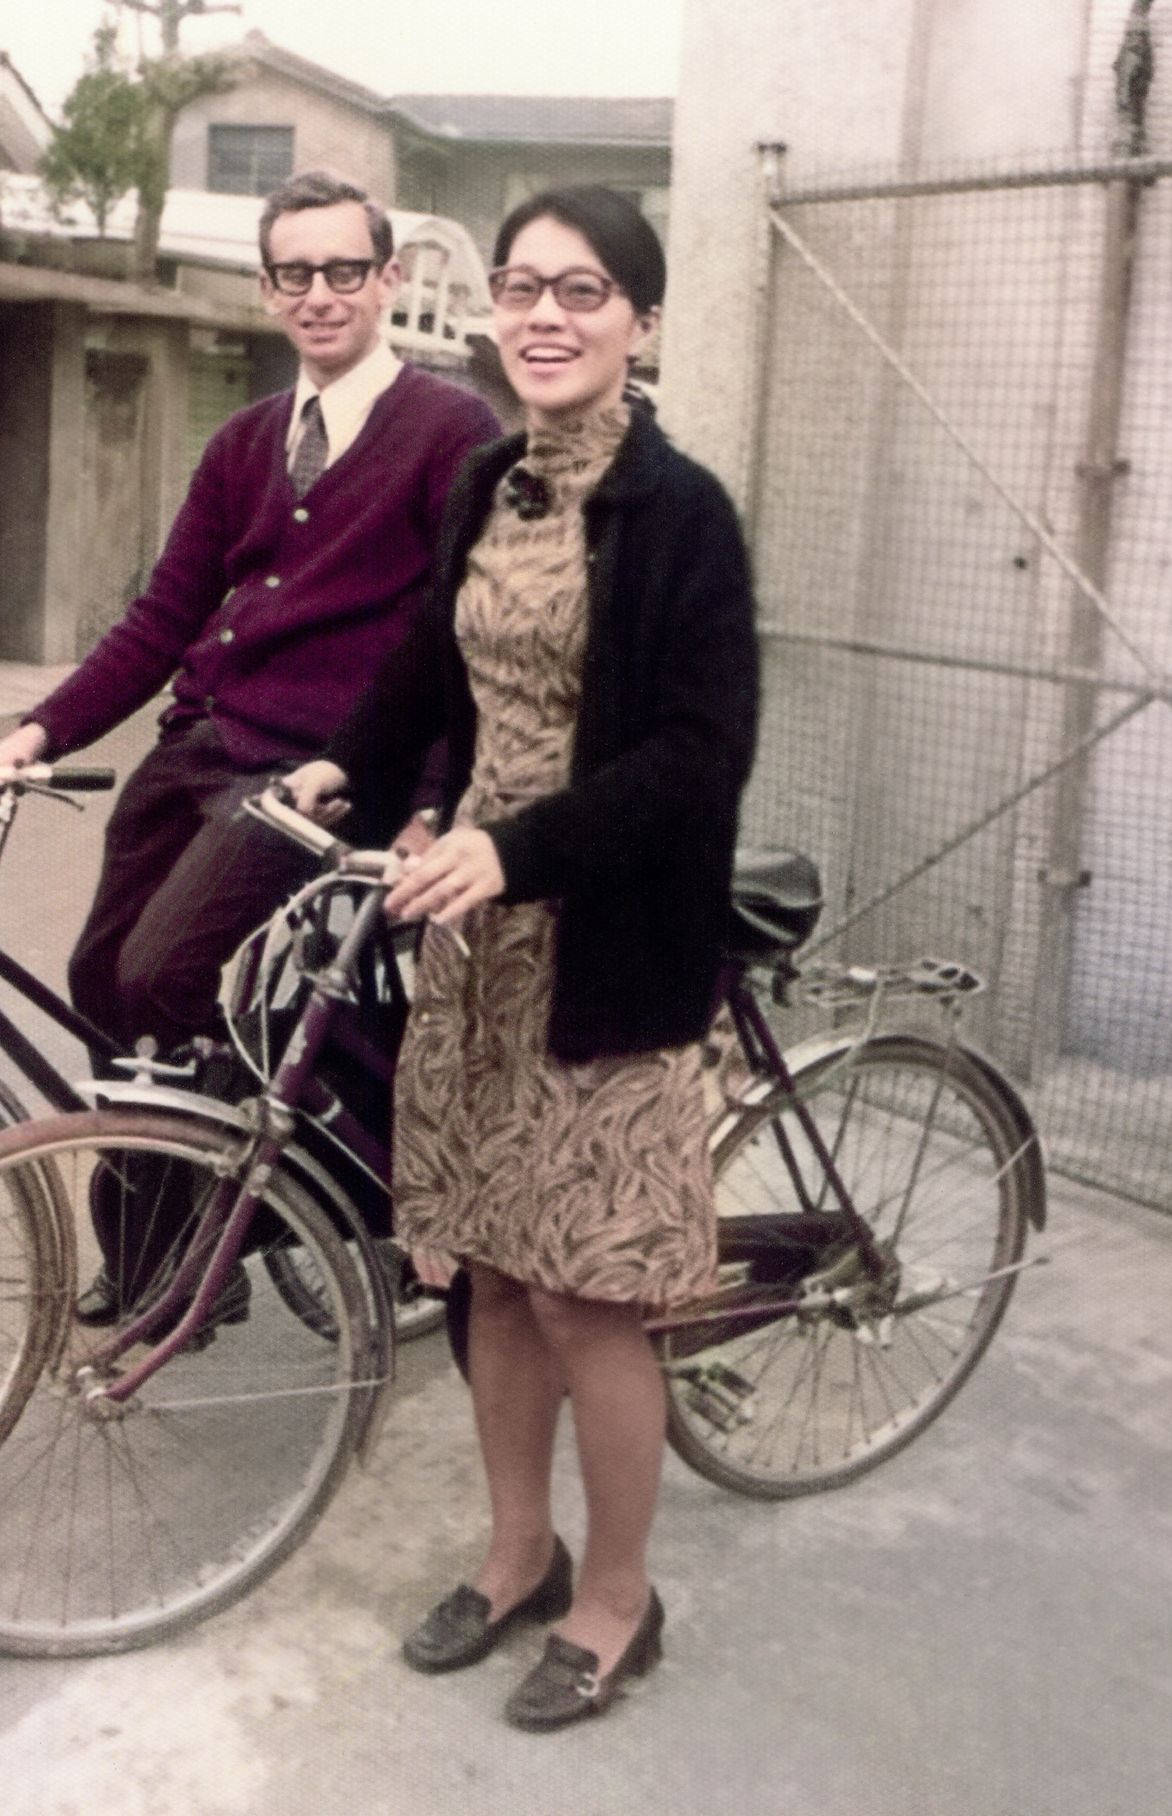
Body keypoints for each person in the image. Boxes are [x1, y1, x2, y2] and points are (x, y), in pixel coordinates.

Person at [286, 186, 759, 1730]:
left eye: (583, 290)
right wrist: (336, 774)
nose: (545, 315)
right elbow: (428, 664)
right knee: (489, 1270)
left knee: (583, 1302)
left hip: (607, 946)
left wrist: (518, 848)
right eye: (520, 288)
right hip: (475, 936)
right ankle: (518, 1554)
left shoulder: (682, 513)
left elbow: (699, 754)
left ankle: (622, 1599)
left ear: (642, 321)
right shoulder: (489, 478)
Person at [0, 168, 499, 1319]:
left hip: (318, 775)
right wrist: (37, 727)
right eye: (294, 274)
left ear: (384, 281)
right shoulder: (244, 441)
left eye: (342, 271)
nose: (318, 294)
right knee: (98, 981)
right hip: (198, 749)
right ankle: (160, 1251)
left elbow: (457, 638)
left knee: (165, 972)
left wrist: (431, 797)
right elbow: (162, 616)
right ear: (268, 290)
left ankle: (222, 1229)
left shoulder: (449, 428)